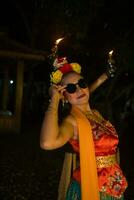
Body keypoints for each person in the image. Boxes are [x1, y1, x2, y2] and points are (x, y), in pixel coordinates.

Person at [40, 57, 127, 200]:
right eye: (71, 88)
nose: (79, 89)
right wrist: (54, 99)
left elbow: (83, 93)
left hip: (114, 182)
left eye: (81, 83)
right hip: (91, 186)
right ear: (64, 96)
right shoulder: (72, 122)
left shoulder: (95, 114)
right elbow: (47, 143)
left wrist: (103, 77)